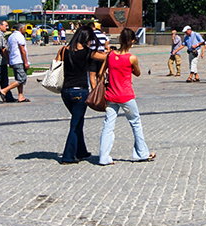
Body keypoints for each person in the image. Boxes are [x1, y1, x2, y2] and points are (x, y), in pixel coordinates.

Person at [97, 27, 154, 163]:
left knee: (108, 125)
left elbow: (100, 73)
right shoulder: (132, 58)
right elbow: (138, 73)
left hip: (111, 95)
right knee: (135, 123)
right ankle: (142, 153)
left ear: (120, 39)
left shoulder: (110, 55)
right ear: (132, 41)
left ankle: (104, 157)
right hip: (126, 96)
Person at [56, 22, 105, 164]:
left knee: (78, 120)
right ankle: (68, 156)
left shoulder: (63, 50)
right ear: (87, 38)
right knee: (76, 124)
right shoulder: (89, 52)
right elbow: (106, 58)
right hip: (80, 91)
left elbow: (55, 65)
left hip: (65, 91)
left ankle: (81, 151)